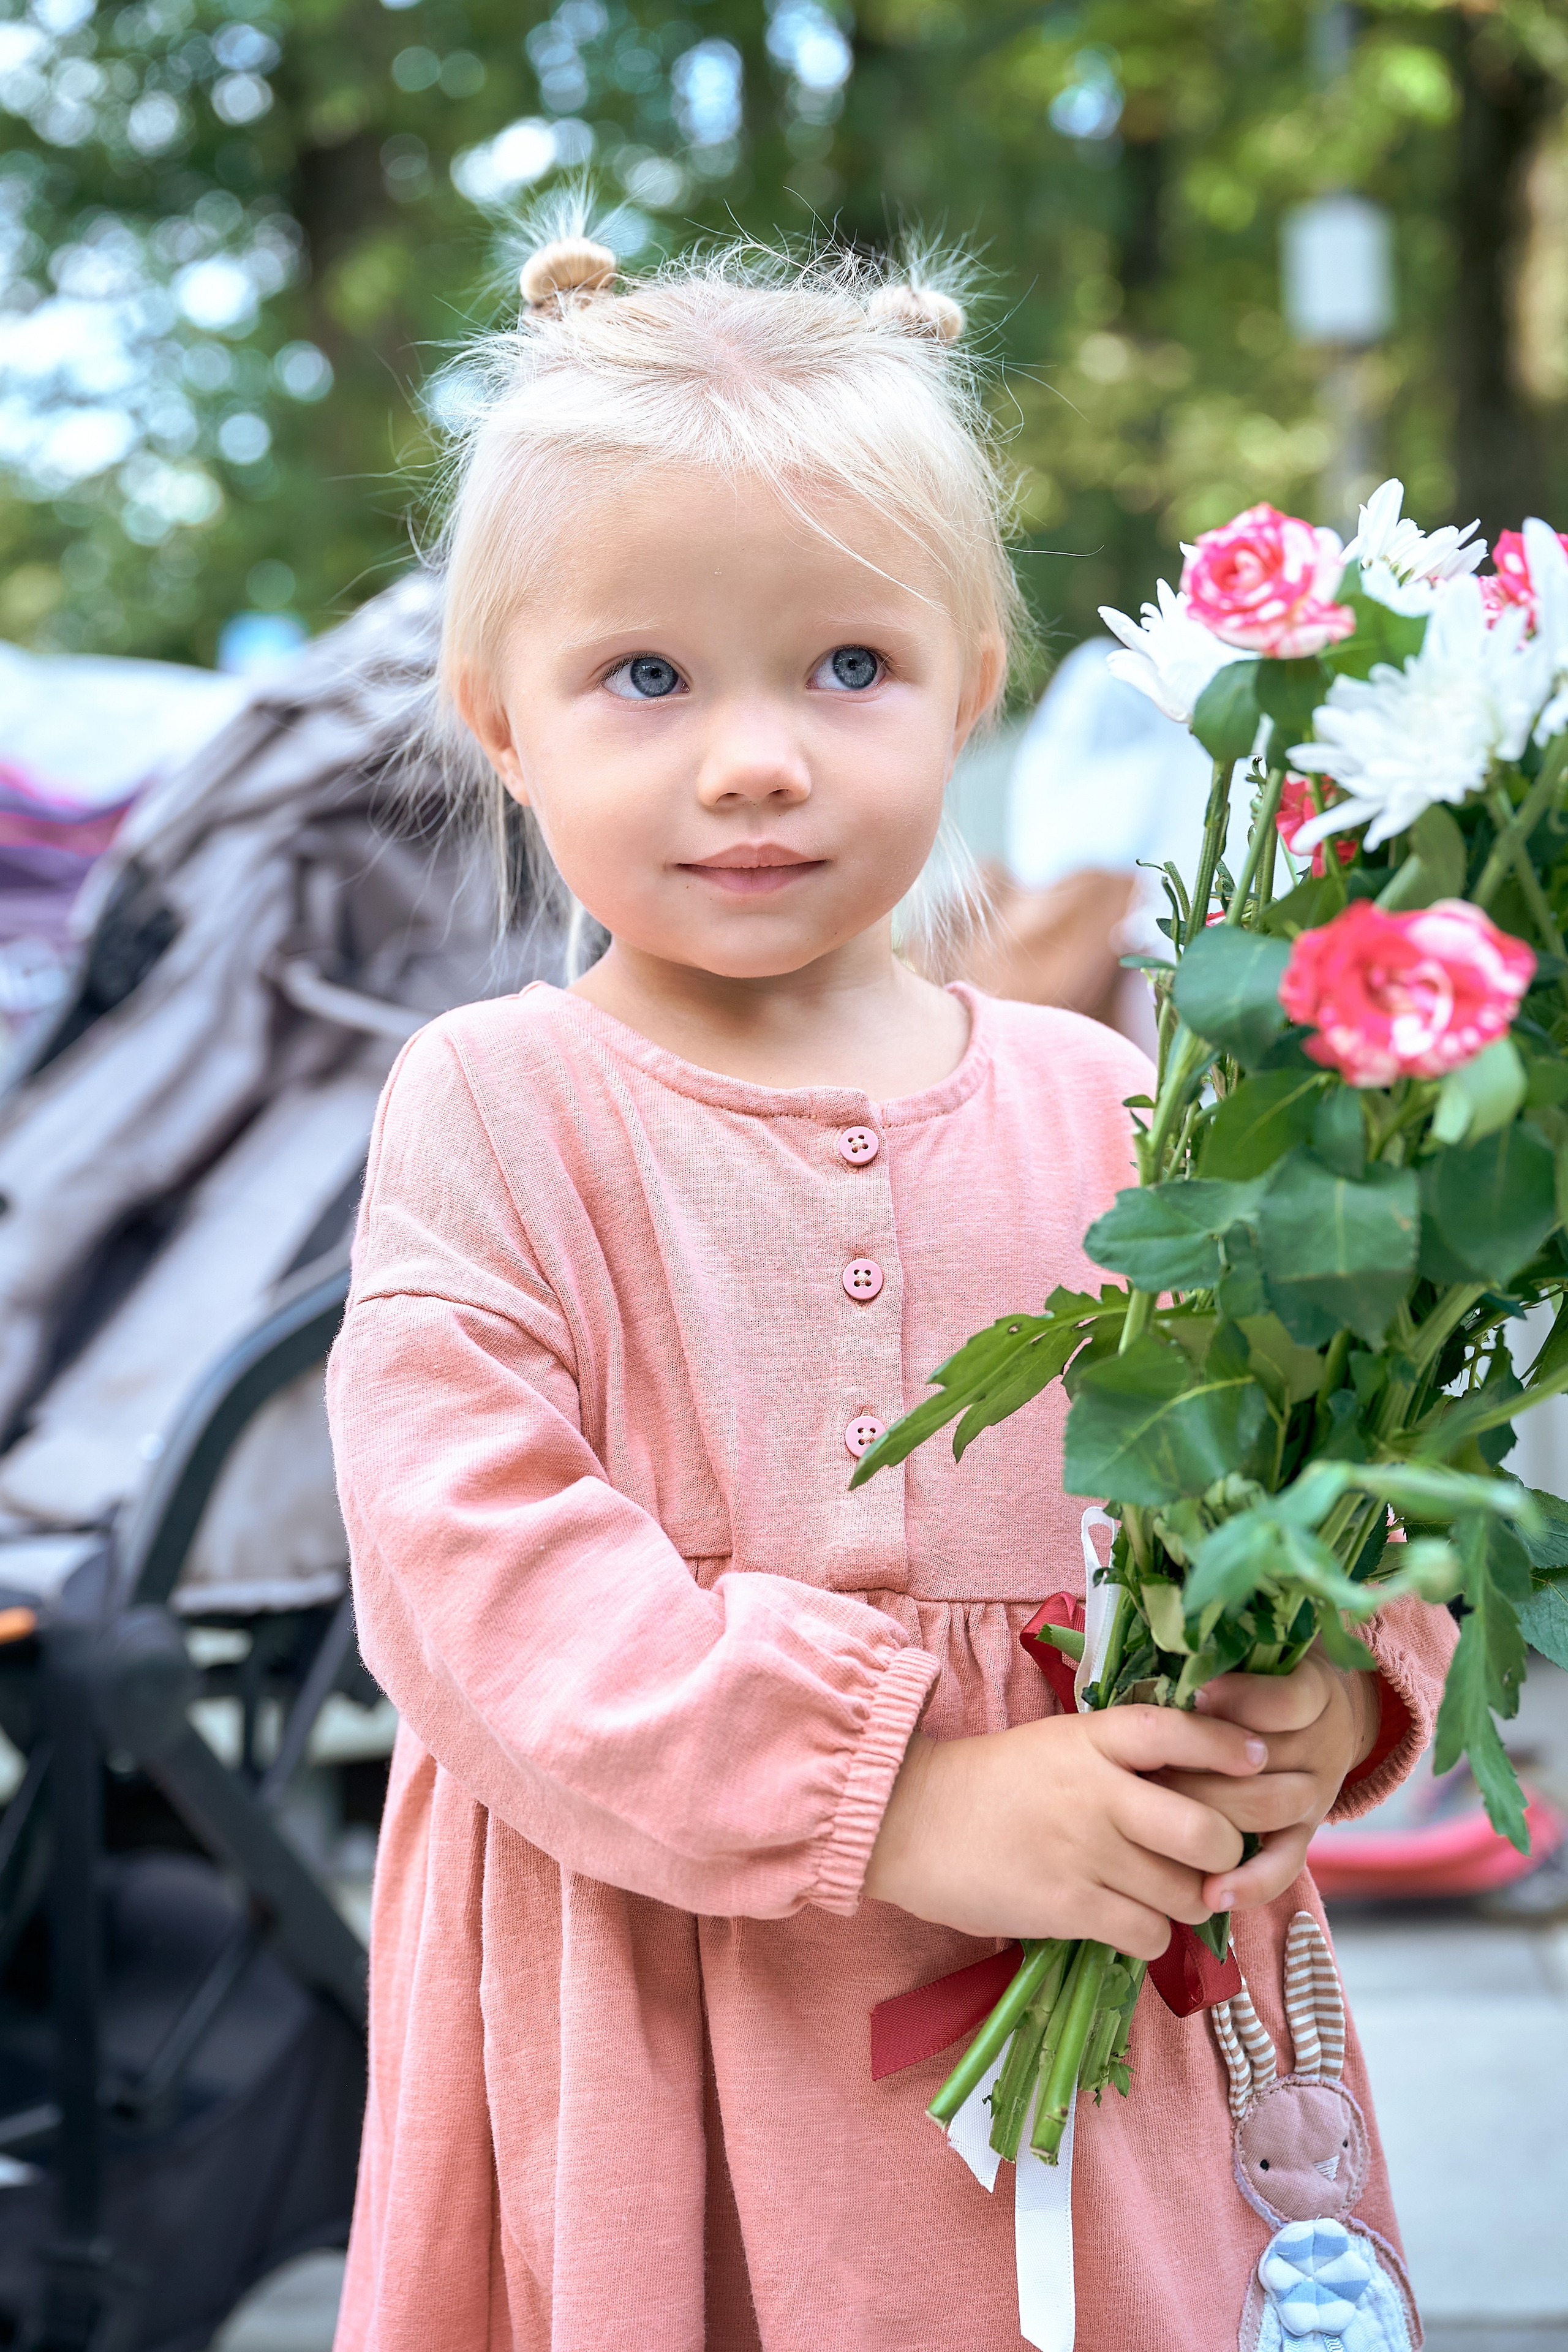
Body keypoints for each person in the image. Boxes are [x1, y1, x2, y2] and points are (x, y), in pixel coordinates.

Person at [324, 229, 1453, 2351]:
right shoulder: (501, 1104)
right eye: (646, 678)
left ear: (971, 684)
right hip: (681, 2030)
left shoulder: (1108, 1093)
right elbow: (473, 1573)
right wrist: (904, 1794)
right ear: (504, 720)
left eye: (846, 667)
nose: (755, 758)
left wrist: (1336, 1690)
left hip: (1105, 2002)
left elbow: (1297, 1460)